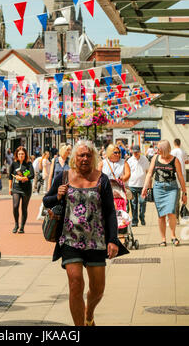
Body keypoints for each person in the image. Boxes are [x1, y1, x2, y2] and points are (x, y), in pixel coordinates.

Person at [43, 140, 123, 326]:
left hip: (96, 241)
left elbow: (110, 211)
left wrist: (113, 240)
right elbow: (47, 201)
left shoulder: (101, 179)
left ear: (93, 157)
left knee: (98, 290)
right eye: (81, 155)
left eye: (88, 155)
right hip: (70, 240)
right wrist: (58, 195)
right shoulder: (63, 177)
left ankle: (89, 313)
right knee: (75, 284)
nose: (85, 158)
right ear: (74, 158)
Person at [141, 140, 187, 246]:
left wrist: (185, 193)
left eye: (158, 148)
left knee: (171, 212)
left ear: (164, 149)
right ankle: (163, 239)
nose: (157, 150)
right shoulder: (155, 158)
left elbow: (180, 177)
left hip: (172, 188)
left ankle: (173, 236)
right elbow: (149, 174)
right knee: (161, 215)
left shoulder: (175, 160)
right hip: (158, 188)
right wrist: (145, 188)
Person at [9, 146, 34, 233]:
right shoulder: (14, 164)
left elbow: (32, 175)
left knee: (24, 208)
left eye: (22, 154)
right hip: (16, 188)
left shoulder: (29, 164)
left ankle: (22, 227)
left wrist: (24, 178)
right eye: (19, 154)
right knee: (15, 206)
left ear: (25, 155)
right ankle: (16, 225)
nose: (21, 155)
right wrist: (10, 188)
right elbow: (10, 176)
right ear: (17, 154)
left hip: (26, 189)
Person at [127, 145, 149, 227]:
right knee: (133, 204)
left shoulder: (145, 159)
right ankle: (134, 221)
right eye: (134, 152)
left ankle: (142, 217)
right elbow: (127, 173)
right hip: (132, 185)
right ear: (132, 151)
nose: (135, 153)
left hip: (142, 185)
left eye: (137, 152)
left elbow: (148, 172)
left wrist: (148, 186)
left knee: (142, 202)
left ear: (139, 151)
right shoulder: (129, 160)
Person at [171, 138, 189, 222]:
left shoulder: (172, 152)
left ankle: (177, 218)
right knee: (184, 194)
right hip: (183, 175)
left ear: (174, 143)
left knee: (176, 197)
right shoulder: (183, 151)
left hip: (175, 175)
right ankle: (184, 212)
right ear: (180, 143)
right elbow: (186, 161)